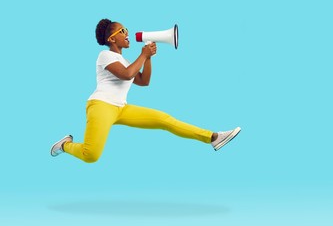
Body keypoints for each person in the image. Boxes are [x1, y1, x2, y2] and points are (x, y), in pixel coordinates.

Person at [50, 18, 241, 163]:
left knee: (164, 120)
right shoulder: (105, 55)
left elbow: (143, 80)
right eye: (122, 31)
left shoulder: (125, 61)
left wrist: (148, 58)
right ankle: (65, 145)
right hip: (101, 106)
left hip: (121, 109)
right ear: (111, 39)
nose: (127, 33)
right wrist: (143, 54)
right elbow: (126, 74)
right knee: (91, 155)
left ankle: (213, 137)